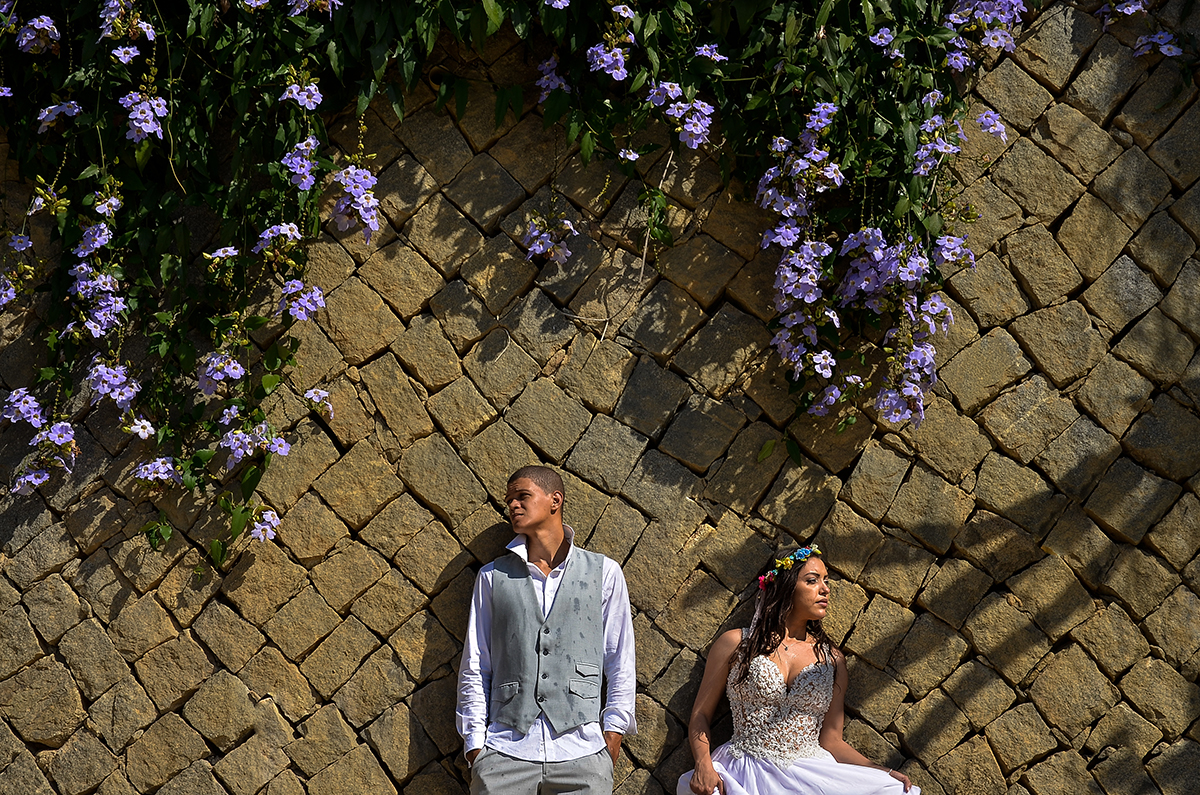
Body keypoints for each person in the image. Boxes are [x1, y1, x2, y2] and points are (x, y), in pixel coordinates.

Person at [678, 545, 917, 795]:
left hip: (809, 773)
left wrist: (879, 770)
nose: (825, 589)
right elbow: (701, 715)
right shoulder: (735, 644)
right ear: (786, 587)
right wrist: (703, 763)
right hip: (743, 769)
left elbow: (832, 740)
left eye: (826, 581)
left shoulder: (832, 660)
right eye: (812, 581)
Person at [456, 465, 637, 795]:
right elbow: (475, 664)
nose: (512, 505)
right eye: (509, 499)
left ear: (555, 500)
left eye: (522, 496)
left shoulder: (604, 572)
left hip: (582, 753)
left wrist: (612, 735)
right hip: (505, 752)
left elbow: (620, 661)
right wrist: (475, 745)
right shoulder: (492, 576)